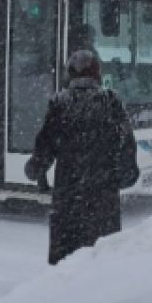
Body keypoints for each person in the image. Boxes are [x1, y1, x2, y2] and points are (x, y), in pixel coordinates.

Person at [25, 49, 135, 265]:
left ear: (70, 75)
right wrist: (125, 174)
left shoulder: (60, 103)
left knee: (67, 263)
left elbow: (45, 145)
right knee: (102, 258)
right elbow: (127, 145)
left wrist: (36, 170)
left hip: (69, 197)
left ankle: (66, 297)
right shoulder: (112, 102)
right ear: (98, 75)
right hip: (104, 199)